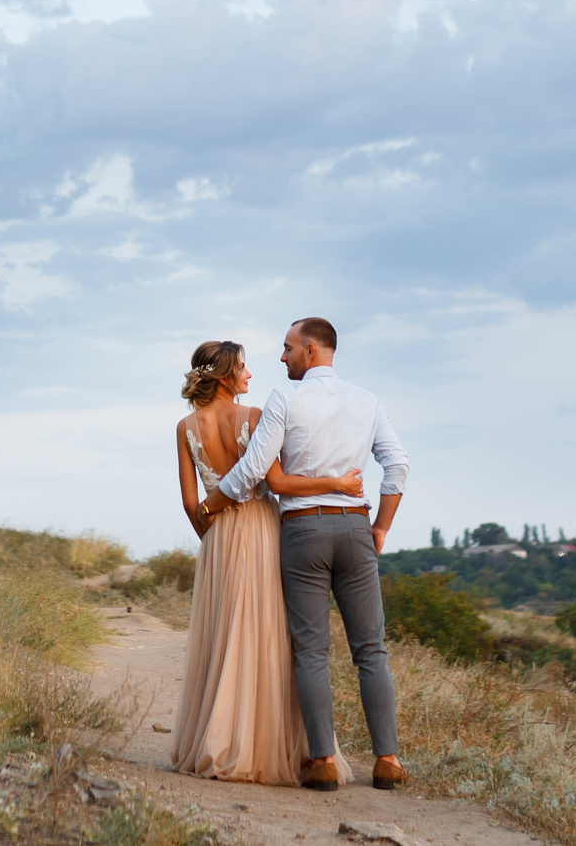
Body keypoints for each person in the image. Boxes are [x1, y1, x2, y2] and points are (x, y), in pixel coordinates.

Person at [207, 317, 409, 794]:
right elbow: (397, 465)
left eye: (288, 348)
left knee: (311, 651)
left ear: (312, 350)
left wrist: (215, 500)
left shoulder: (286, 398)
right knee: (371, 649)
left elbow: (256, 466)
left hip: (302, 529)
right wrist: (380, 525)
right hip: (355, 527)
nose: (282, 357)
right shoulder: (367, 401)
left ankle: (321, 763)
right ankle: (388, 760)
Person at [171, 340, 368, 785]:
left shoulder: (184, 427)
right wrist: (334, 481)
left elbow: (190, 502)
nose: (250, 375)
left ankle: (218, 738)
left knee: (226, 636)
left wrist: (214, 536)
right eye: (243, 367)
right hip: (261, 529)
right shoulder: (254, 417)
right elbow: (276, 481)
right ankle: (272, 744)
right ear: (225, 377)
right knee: (270, 635)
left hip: (218, 533)